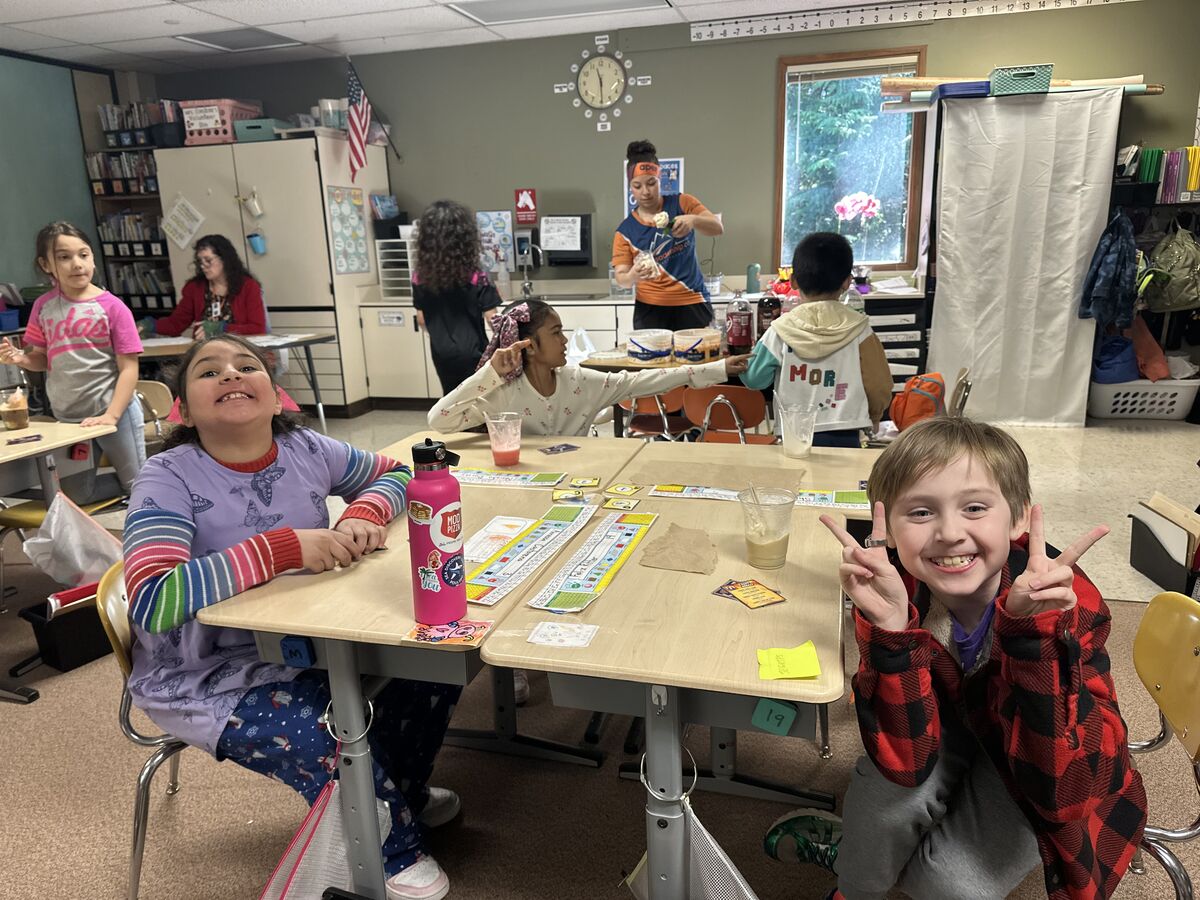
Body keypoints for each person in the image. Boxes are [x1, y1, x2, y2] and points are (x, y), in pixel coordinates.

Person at [123, 334, 460, 900]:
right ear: (183, 407)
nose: (230, 375)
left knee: (430, 669)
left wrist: (363, 512)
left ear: (276, 396)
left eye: (246, 366)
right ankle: (389, 848)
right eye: (208, 372)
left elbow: (399, 474)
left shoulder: (306, 448)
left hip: (307, 640)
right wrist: (283, 549)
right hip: (205, 673)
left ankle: (393, 797)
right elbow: (154, 599)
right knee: (330, 728)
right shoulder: (167, 477)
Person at [764, 417, 1147, 900]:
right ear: (888, 530)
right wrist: (891, 631)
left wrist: (1034, 641)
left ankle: (891, 862)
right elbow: (904, 759)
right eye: (921, 513)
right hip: (944, 725)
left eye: (974, 508)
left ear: (1018, 519)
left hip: (1028, 754)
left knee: (947, 883)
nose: (948, 532)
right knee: (876, 813)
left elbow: (1063, 788)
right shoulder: (897, 592)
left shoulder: (1067, 607)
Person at [427, 300, 749, 435]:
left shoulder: (579, 381)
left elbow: (647, 381)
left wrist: (718, 369)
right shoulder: (503, 395)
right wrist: (490, 375)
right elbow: (439, 420)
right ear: (530, 347)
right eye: (555, 333)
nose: (565, 341)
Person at [0, 221, 145, 491]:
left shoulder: (113, 307)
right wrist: (20, 358)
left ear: (92, 257)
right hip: (67, 417)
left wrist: (111, 416)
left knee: (138, 485)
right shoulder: (43, 307)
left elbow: (129, 369)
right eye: (64, 257)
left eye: (83, 254)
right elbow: (42, 358)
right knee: (77, 492)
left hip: (115, 412)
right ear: (46, 265)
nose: (76, 264)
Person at [739, 233, 891, 448]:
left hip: (793, 434)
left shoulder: (780, 330)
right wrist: (875, 416)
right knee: (842, 481)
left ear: (793, 280)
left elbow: (754, 379)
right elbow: (878, 384)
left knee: (797, 480)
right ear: (847, 282)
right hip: (845, 429)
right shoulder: (861, 330)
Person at [611, 139, 724, 331]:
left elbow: (717, 227)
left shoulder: (682, 203)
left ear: (660, 178)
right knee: (654, 361)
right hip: (650, 309)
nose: (645, 192)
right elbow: (621, 278)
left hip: (692, 301)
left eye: (651, 183)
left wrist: (693, 220)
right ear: (630, 187)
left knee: (699, 360)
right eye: (637, 186)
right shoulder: (625, 231)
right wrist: (632, 275)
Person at [413, 200, 501, 394]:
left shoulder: (420, 277)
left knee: (451, 403)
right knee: (481, 400)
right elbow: (492, 318)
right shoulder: (477, 275)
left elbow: (421, 319)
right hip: (474, 351)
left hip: (441, 352)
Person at [144, 234, 267, 339]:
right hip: (206, 352)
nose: (203, 266)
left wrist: (222, 328)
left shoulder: (248, 286)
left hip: (241, 351)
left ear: (225, 259)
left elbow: (257, 328)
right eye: (200, 261)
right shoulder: (194, 288)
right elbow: (175, 324)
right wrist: (151, 325)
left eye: (208, 260)